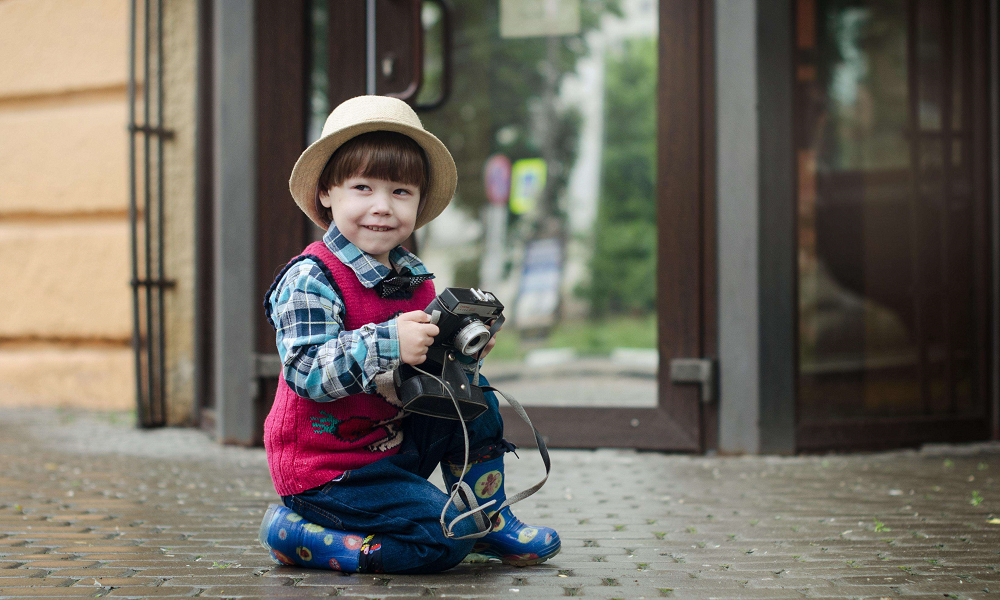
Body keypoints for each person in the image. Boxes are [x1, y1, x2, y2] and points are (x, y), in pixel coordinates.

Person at [257, 95, 560, 574]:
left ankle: (488, 511)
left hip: (394, 451)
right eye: (362, 187)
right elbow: (305, 372)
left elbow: (423, 377)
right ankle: (298, 535)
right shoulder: (312, 277)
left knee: (474, 393)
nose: (381, 207)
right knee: (444, 543)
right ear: (326, 193)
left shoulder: (417, 282)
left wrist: (462, 352)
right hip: (329, 471)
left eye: (400, 192)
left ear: (419, 204)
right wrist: (388, 342)